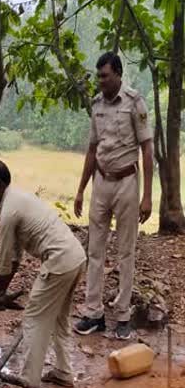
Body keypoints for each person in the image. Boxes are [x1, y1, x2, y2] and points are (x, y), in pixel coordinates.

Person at [0, 160, 87, 388]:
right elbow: (15, 259)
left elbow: (4, 264)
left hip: (60, 261)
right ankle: (63, 372)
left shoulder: (10, 211)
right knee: (59, 318)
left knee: (33, 319)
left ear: (0, 184)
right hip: (75, 257)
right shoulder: (15, 200)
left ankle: (27, 387)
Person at [73, 52, 153, 340]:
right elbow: (92, 150)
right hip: (101, 183)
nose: (101, 81)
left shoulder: (134, 102)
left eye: (105, 76)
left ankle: (122, 316)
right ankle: (93, 313)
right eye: (99, 76)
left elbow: (146, 148)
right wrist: (81, 189)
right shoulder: (96, 106)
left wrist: (147, 196)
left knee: (125, 251)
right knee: (94, 250)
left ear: (118, 74)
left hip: (127, 183)